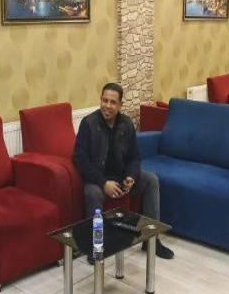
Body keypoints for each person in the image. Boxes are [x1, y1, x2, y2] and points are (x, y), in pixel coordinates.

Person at [72, 82, 173, 259]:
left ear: (120, 105)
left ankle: (151, 241)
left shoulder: (126, 124)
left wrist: (131, 176)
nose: (107, 105)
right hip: (98, 179)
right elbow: (80, 159)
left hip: (120, 177)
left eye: (112, 102)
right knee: (92, 193)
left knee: (151, 180)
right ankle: (96, 246)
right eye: (104, 100)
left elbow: (135, 156)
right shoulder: (88, 124)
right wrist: (103, 182)